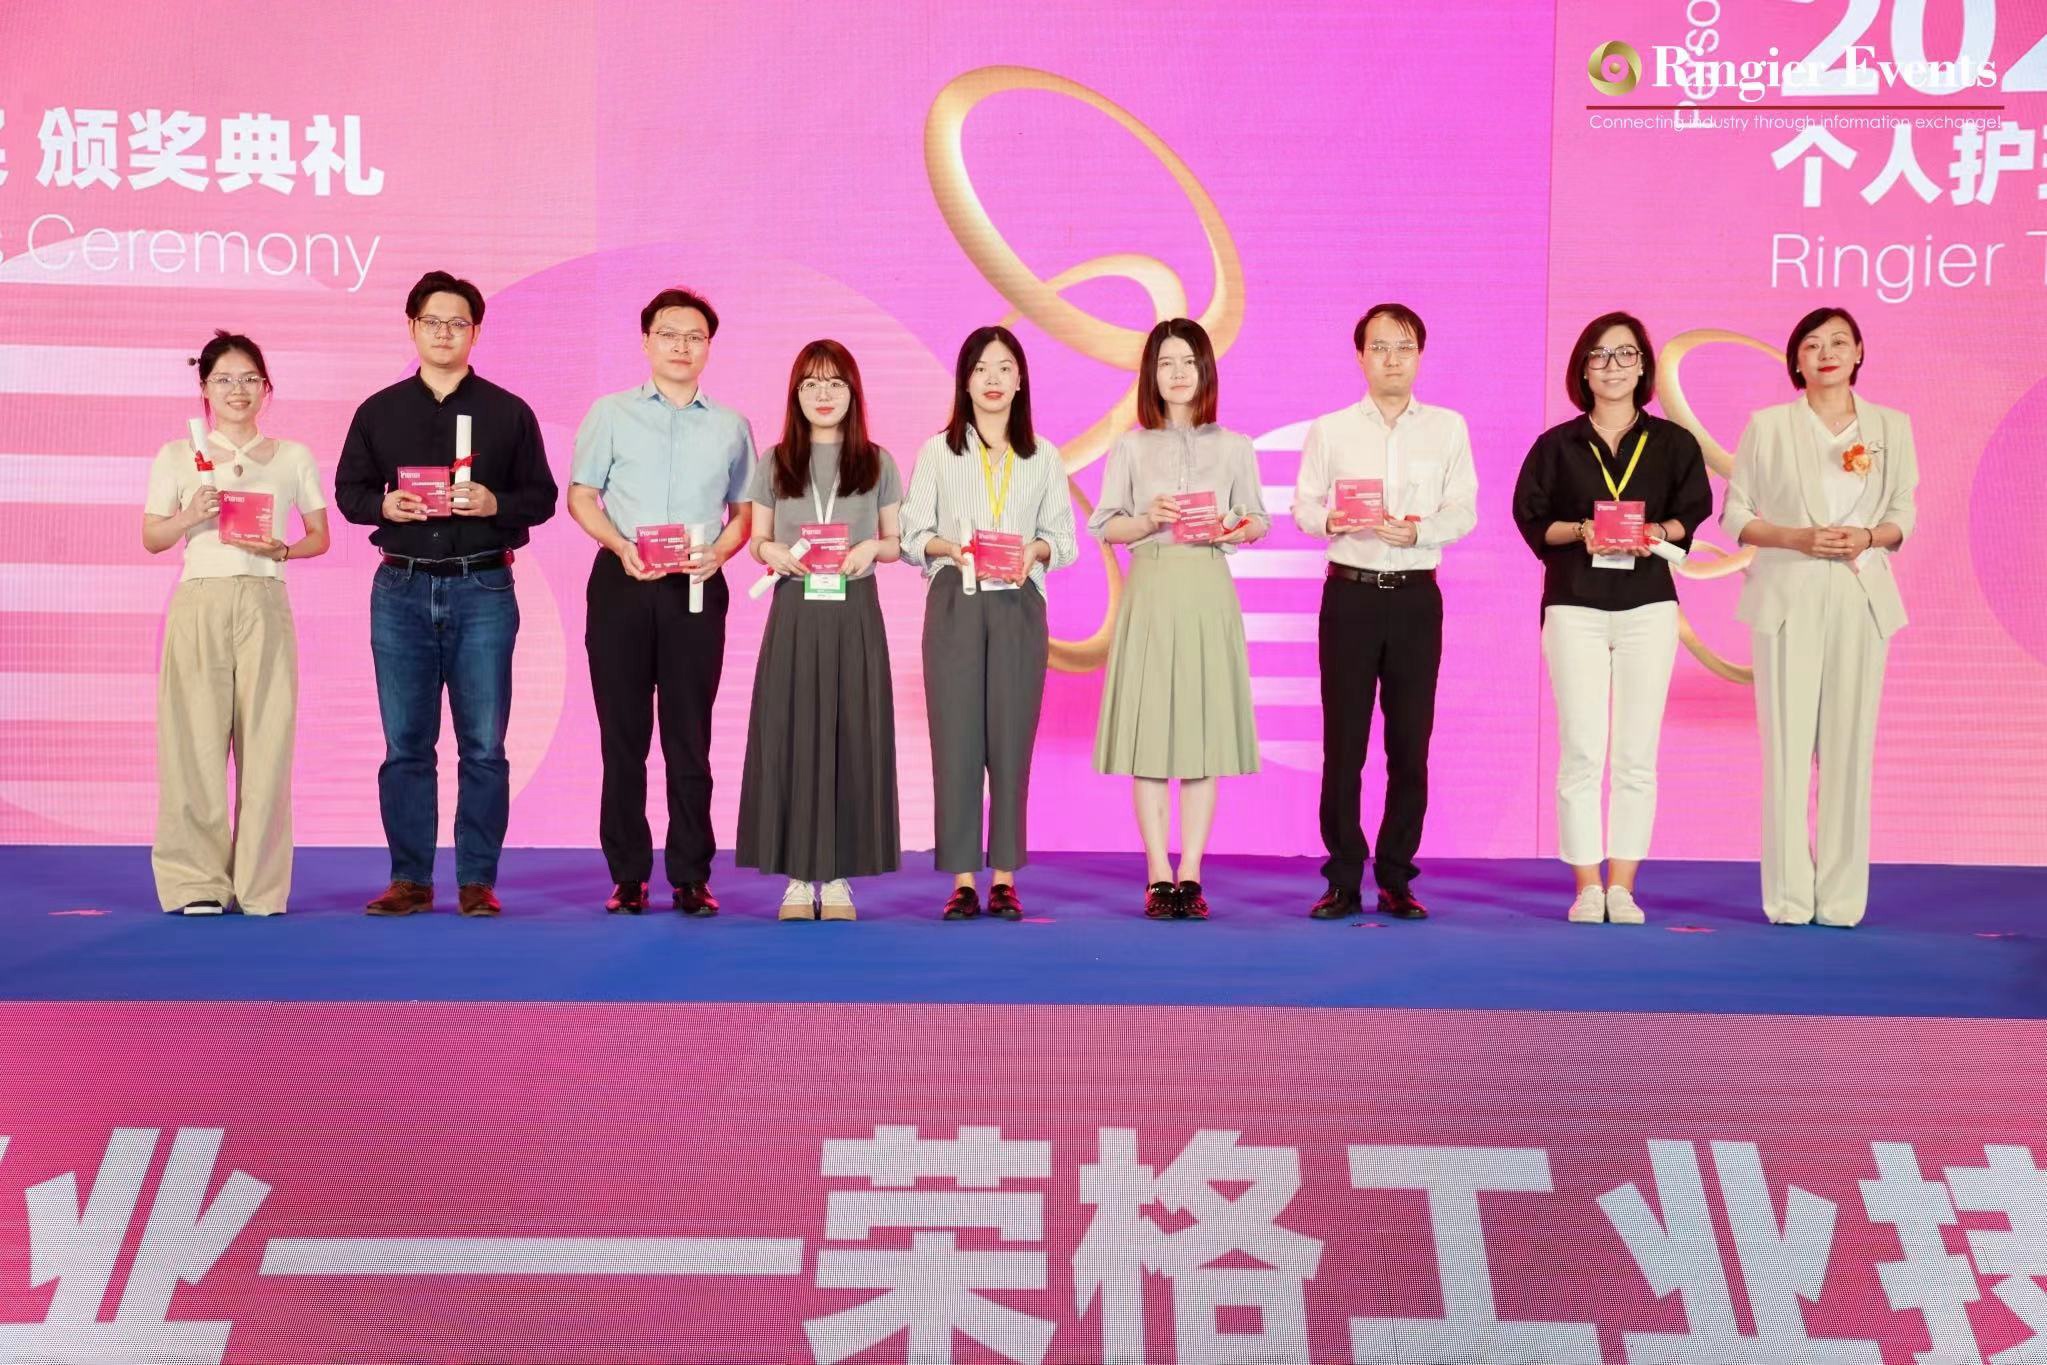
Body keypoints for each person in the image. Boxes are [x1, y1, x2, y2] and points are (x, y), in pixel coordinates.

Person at [334, 270, 559, 918]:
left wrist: (496, 502)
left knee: (483, 744)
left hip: (482, 584)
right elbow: (349, 491)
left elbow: (542, 497)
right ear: (412, 327)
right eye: (432, 322)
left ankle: (476, 881)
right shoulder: (379, 411)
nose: (444, 333)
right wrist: (384, 505)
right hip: (400, 585)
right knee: (406, 742)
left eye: (457, 323)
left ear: (475, 332)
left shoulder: (508, 412)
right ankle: (409, 879)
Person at [1511, 312, 1712, 924]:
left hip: (1649, 606)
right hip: (1574, 605)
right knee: (1580, 749)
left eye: (1625, 354)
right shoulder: (1556, 445)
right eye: (1599, 355)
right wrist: (1582, 530)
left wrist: (1658, 532)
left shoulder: (1673, 443)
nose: (1613, 366)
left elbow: (1692, 512)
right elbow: (1531, 518)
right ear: (1582, 369)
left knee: (1636, 753)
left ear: (1643, 365)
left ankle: (1622, 885)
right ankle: (1586, 886)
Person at [1722, 306, 1916, 928]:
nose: (1826, 352)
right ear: (1796, 360)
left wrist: (1870, 535)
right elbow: (1736, 515)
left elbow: (1903, 513)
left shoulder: (1891, 426)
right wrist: (1795, 538)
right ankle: (1787, 897)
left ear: (1859, 352)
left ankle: (1840, 899)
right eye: (1811, 344)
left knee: (1849, 749)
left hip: (1860, 593)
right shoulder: (1769, 425)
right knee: (1785, 748)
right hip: (1788, 592)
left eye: (1838, 342)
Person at [568, 288, 754, 917]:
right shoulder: (610, 413)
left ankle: (691, 875)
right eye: (669, 334)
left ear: (709, 347)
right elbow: (581, 496)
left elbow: (743, 513)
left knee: (689, 737)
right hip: (623, 580)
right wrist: (619, 545)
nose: (681, 346)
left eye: (694, 337)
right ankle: (628, 875)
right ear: (646, 341)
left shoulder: (731, 426)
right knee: (622, 736)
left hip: (695, 588)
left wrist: (720, 552)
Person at [1291, 304, 1477, 922]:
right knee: (1343, 744)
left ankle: (1397, 876)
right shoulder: (1332, 429)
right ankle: (1343, 877)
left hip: (1417, 597)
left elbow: (1464, 509)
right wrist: (1332, 520)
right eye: (1379, 347)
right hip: (1350, 595)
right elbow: (1303, 506)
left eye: (1403, 347)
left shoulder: (1448, 428)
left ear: (1420, 355)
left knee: (1410, 744)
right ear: (1360, 356)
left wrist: (1420, 531)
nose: (1391, 359)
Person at [144, 331, 330, 916]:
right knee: (193, 743)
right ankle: (195, 882)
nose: (238, 389)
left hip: (265, 601)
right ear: (205, 388)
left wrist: (284, 550)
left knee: (268, 745)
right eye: (224, 379)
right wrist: (187, 516)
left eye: (250, 378)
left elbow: (320, 536)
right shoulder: (178, 456)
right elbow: (152, 538)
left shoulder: (293, 456)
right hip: (200, 600)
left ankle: (259, 886)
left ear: (266, 387)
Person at [1089, 317, 1268, 921]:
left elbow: (1259, 519)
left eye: (1188, 361)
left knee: (1200, 737)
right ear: (1151, 374)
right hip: (1152, 586)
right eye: (1165, 363)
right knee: (1149, 740)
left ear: (1205, 369)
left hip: (1207, 588)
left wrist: (1233, 528)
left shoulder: (1235, 446)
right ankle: (1157, 873)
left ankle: (1191, 871)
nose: (1177, 373)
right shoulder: (1131, 447)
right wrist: (1147, 519)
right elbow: (1105, 525)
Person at [900, 326, 1079, 921]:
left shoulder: (1043, 455)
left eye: (1004, 368)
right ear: (965, 381)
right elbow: (911, 535)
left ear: (1020, 379)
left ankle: (1003, 877)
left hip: (1018, 603)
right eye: (981, 369)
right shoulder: (938, 452)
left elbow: (1064, 540)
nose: (993, 379)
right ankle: (962, 879)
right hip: (957, 597)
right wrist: (950, 549)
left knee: (1010, 741)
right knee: (955, 741)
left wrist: (1035, 551)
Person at [735, 340, 903, 921]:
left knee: (851, 735)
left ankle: (836, 879)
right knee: (791, 734)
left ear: (852, 391)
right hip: (795, 610)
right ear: (796, 395)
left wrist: (870, 550)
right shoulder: (775, 460)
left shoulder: (876, 461)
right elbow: (757, 539)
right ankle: (795, 878)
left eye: (834, 382)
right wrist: (772, 552)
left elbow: (896, 542)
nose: (823, 394)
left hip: (854, 611)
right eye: (810, 384)